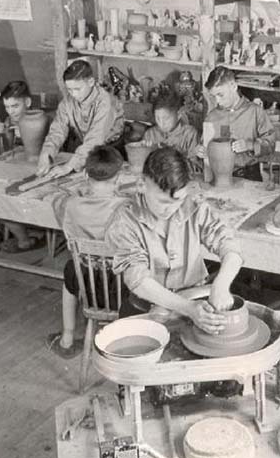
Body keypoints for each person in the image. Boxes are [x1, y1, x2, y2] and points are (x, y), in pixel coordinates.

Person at [106, 146, 243, 331]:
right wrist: (187, 309)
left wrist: (221, 284)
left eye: (178, 200)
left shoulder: (193, 205)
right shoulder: (125, 220)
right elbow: (138, 280)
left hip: (195, 296)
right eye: (163, 202)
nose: (170, 209)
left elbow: (229, 244)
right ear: (141, 185)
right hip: (148, 302)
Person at [46, 145, 128, 358]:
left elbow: (57, 203)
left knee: (70, 269)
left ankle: (67, 336)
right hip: (120, 288)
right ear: (118, 178)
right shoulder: (125, 207)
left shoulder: (71, 205)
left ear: (85, 175)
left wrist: (79, 193)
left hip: (86, 285)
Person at [37, 60, 124, 179]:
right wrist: (47, 153)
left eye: (77, 89)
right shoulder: (68, 101)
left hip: (110, 150)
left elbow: (95, 138)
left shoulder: (105, 102)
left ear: (91, 82)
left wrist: (69, 166)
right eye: (69, 89)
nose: (73, 94)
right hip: (85, 147)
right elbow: (57, 130)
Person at [194, 66, 275, 181]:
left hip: (249, 175)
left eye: (220, 95)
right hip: (219, 176)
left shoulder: (255, 111)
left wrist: (250, 145)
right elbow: (204, 147)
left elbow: (271, 144)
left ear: (233, 86)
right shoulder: (212, 117)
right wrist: (200, 152)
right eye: (214, 96)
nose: (217, 101)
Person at [0, 81, 44, 253]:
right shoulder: (9, 121)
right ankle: (23, 235)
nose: (11, 112)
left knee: (5, 195)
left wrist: (26, 137)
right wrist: (2, 133)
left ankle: (24, 240)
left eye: (15, 106)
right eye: (7, 107)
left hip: (37, 172)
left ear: (28, 102)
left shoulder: (40, 120)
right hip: (17, 170)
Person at [142, 91, 200, 161]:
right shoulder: (150, 134)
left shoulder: (189, 134)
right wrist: (146, 152)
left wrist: (184, 154)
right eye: (157, 118)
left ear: (178, 115)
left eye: (166, 119)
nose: (161, 124)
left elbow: (195, 166)